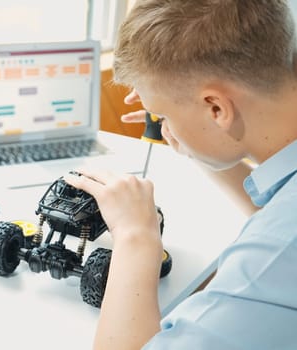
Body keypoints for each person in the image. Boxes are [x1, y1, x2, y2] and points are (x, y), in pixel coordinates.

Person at [64, 1, 297, 349]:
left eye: (162, 116)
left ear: (216, 108)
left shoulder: (267, 263)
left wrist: (136, 236)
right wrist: (196, 138)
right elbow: (277, 210)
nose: (160, 125)